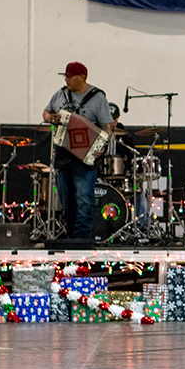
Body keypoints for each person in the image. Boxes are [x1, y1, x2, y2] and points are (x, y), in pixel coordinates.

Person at [42, 61, 114, 241]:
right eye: (65, 76)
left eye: (69, 76)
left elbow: (107, 126)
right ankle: (70, 234)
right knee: (66, 199)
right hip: (63, 154)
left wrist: (101, 147)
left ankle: (82, 237)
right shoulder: (60, 94)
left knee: (84, 198)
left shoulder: (97, 97)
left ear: (82, 77)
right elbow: (46, 111)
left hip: (85, 158)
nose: (66, 79)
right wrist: (50, 118)